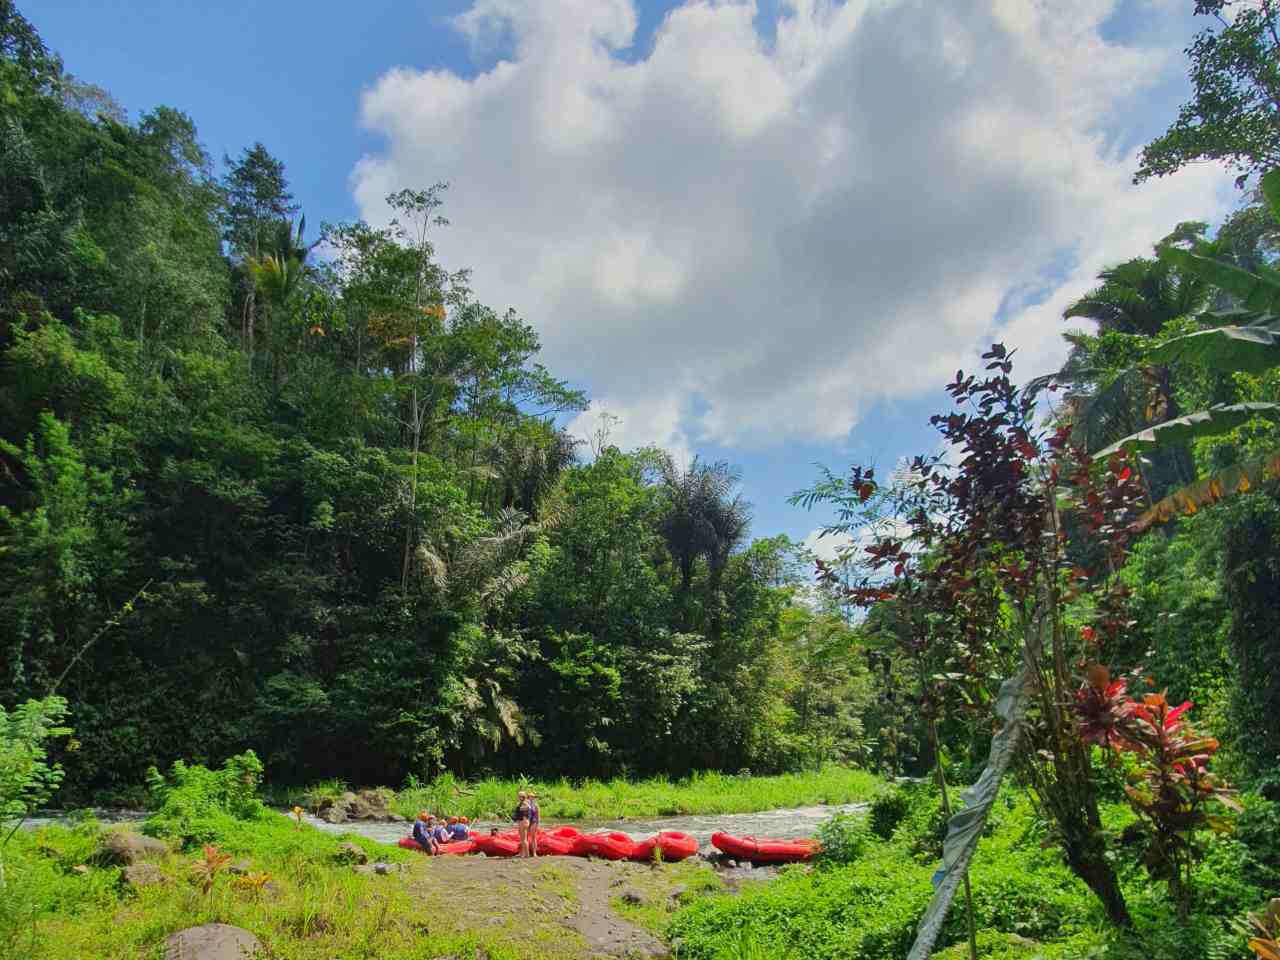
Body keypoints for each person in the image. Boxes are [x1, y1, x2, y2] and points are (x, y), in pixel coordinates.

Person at [513, 790, 533, 857]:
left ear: (523, 797)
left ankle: (527, 854)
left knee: (524, 839)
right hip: (521, 822)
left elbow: (528, 808)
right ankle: (523, 853)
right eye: (519, 796)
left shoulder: (525, 803)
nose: (519, 797)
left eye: (520, 796)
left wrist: (523, 808)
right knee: (522, 839)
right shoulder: (520, 803)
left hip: (523, 822)